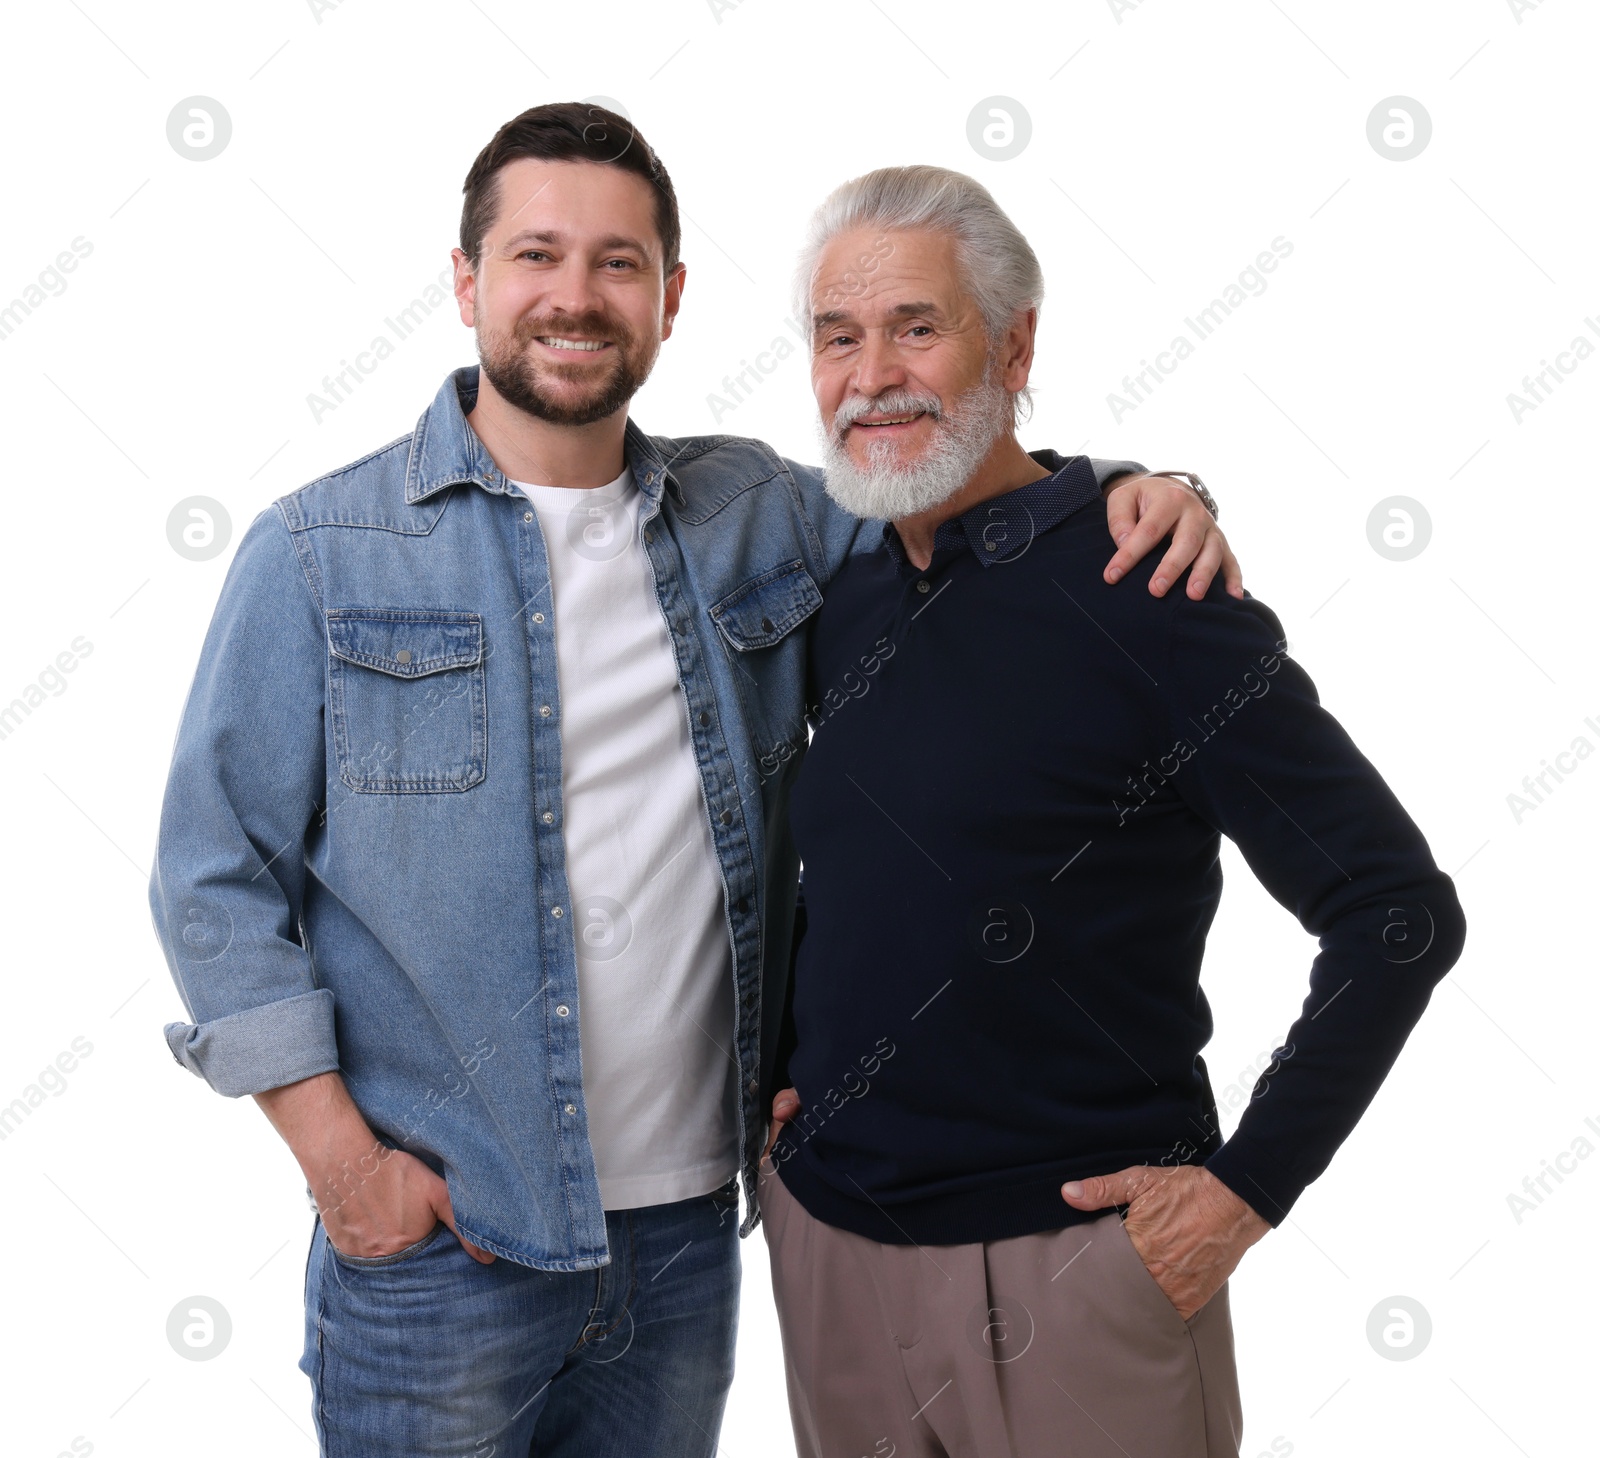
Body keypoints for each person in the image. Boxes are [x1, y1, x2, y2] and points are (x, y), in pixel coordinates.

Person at [147, 105, 1235, 1456]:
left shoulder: (758, 514)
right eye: (537, 252)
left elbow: (961, 490)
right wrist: (341, 1163)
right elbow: (209, 872)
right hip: (443, 1248)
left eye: (618, 263)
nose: (575, 296)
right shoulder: (321, 552)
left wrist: (1145, 488)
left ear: (668, 300)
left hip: (685, 1242)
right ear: (466, 279)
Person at [760, 164, 1467, 1458]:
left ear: (1015, 341)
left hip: (1078, 1273)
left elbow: (1396, 913)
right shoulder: (841, 583)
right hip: (833, 1263)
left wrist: (1247, 1188)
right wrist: (778, 1078)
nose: (872, 375)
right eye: (837, 336)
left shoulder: (1152, 588)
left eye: (917, 325)